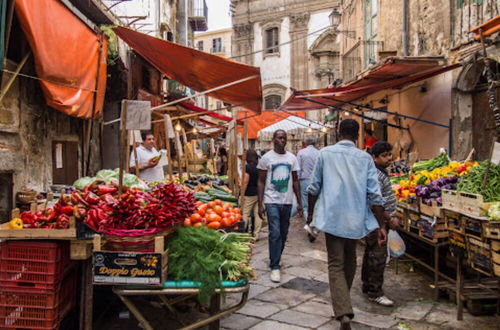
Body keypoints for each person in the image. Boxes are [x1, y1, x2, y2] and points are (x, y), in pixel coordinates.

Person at [306, 119, 387, 330]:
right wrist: (381, 225)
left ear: (338, 133)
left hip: (332, 217)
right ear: (357, 134)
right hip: (355, 219)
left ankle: (343, 311)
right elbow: (375, 195)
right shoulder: (365, 158)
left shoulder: (326, 153)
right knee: (350, 260)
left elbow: (313, 187)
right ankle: (343, 303)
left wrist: (310, 214)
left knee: (336, 263)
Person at [258, 129, 303, 283]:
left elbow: (296, 181)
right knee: (275, 232)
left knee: (283, 234)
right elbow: (261, 181)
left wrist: (300, 202)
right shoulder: (266, 158)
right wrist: (260, 203)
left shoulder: (292, 158)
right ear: (273, 140)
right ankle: (275, 265)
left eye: (284, 138)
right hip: (271, 201)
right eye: (279, 138)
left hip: (287, 201)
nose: (282, 140)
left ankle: (276, 256)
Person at [361, 141, 399, 306]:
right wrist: (389, 219)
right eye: (384, 155)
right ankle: (375, 291)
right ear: (375, 157)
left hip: (376, 220)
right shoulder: (376, 174)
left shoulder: (381, 172)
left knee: (370, 253)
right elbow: (375, 201)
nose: (389, 158)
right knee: (378, 255)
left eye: (389, 154)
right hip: (376, 221)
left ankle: (367, 284)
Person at [296, 135, 320, 242]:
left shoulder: (301, 153)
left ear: (305, 143)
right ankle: (313, 225)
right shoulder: (319, 153)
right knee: (315, 206)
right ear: (315, 143)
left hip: (304, 180)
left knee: (305, 206)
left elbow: (297, 169)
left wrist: (296, 182)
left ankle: (309, 225)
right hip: (316, 181)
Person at [241, 149, 264, 239]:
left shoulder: (248, 167)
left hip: (249, 194)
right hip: (259, 194)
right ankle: (256, 234)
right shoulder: (260, 167)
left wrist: (242, 194)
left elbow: (246, 181)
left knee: (245, 213)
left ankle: (242, 231)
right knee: (258, 214)